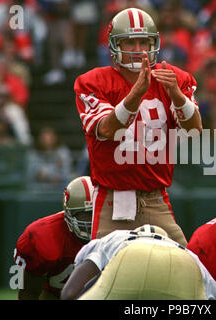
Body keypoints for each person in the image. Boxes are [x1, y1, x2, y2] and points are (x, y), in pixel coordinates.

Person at [73, 8, 202, 245]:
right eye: (130, 42)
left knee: (189, 269)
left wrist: (177, 95)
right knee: (98, 271)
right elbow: (106, 129)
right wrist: (135, 95)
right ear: (114, 46)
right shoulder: (94, 82)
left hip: (156, 199)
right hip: (112, 201)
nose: (139, 49)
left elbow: (194, 130)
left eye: (145, 41)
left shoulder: (173, 78)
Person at [61, 224, 216, 300]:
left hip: (131, 256)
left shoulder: (114, 238)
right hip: (182, 264)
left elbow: (69, 293)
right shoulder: (189, 254)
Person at [14, 176, 94, 300]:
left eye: (95, 213)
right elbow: (28, 294)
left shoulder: (117, 231)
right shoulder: (44, 237)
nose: (90, 221)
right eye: (85, 215)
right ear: (68, 213)